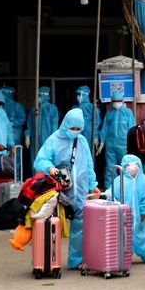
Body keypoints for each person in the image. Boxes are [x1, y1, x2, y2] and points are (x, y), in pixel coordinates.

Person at [33, 108, 101, 270]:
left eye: (78, 129)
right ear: (65, 125)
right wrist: (49, 168)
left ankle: (76, 260)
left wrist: (93, 185)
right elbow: (40, 160)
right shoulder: (53, 140)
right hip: (58, 192)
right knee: (49, 225)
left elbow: (89, 166)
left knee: (79, 226)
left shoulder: (82, 141)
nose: (75, 132)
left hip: (80, 191)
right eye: (73, 128)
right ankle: (45, 260)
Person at [105, 154, 145, 263]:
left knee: (142, 234)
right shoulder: (119, 181)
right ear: (123, 167)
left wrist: (144, 212)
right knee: (123, 234)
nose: (132, 168)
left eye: (135, 165)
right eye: (128, 165)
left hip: (139, 217)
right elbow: (111, 194)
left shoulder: (144, 181)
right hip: (123, 216)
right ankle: (123, 253)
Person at [97, 91, 136, 190]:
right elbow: (105, 129)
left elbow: (132, 129)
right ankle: (110, 191)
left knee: (126, 167)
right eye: (114, 101)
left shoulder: (128, 113)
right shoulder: (109, 114)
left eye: (119, 101)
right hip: (110, 146)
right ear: (111, 102)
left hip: (124, 145)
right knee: (111, 168)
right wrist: (101, 143)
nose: (117, 103)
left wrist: (132, 145)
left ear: (122, 101)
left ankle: (127, 189)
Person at [24, 86, 60, 166]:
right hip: (35, 140)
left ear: (43, 95)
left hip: (47, 141)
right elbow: (29, 124)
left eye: (39, 96)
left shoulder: (52, 109)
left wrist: (53, 141)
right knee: (35, 160)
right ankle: (36, 178)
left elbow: (54, 127)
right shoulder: (34, 109)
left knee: (47, 161)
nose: (37, 98)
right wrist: (27, 136)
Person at [72, 85, 100, 155]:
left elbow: (96, 122)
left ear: (84, 95)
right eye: (77, 94)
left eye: (79, 94)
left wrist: (96, 136)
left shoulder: (92, 107)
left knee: (88, 154)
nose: (78, 97)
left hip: (89, 135)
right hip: (76, 134)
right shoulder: (75, 108)